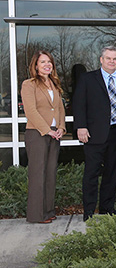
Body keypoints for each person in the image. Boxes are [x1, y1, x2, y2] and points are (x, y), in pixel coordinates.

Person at [74, 46, 116, 221]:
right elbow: (79, 104)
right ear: (101, 59)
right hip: (94, 134)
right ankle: (89, 211)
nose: (112, 61)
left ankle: (107, 208)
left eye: (115, 59)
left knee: (112, 173)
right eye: (108, 58)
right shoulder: (87, 79)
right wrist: (81, 126)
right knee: (91, 173)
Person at [22, 51, 65, 223]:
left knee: (50, 173)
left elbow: (60, 109)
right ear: (36, 65)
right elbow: (30, 110)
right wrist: (46, 130)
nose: (47, 65)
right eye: (43, 62)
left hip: (54, 133)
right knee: (38, 174)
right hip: (37, 133)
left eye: (49, 62)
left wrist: (61, 127)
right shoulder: (29, 84)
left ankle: (48, 211)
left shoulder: (54, 84)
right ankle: (36, 215)